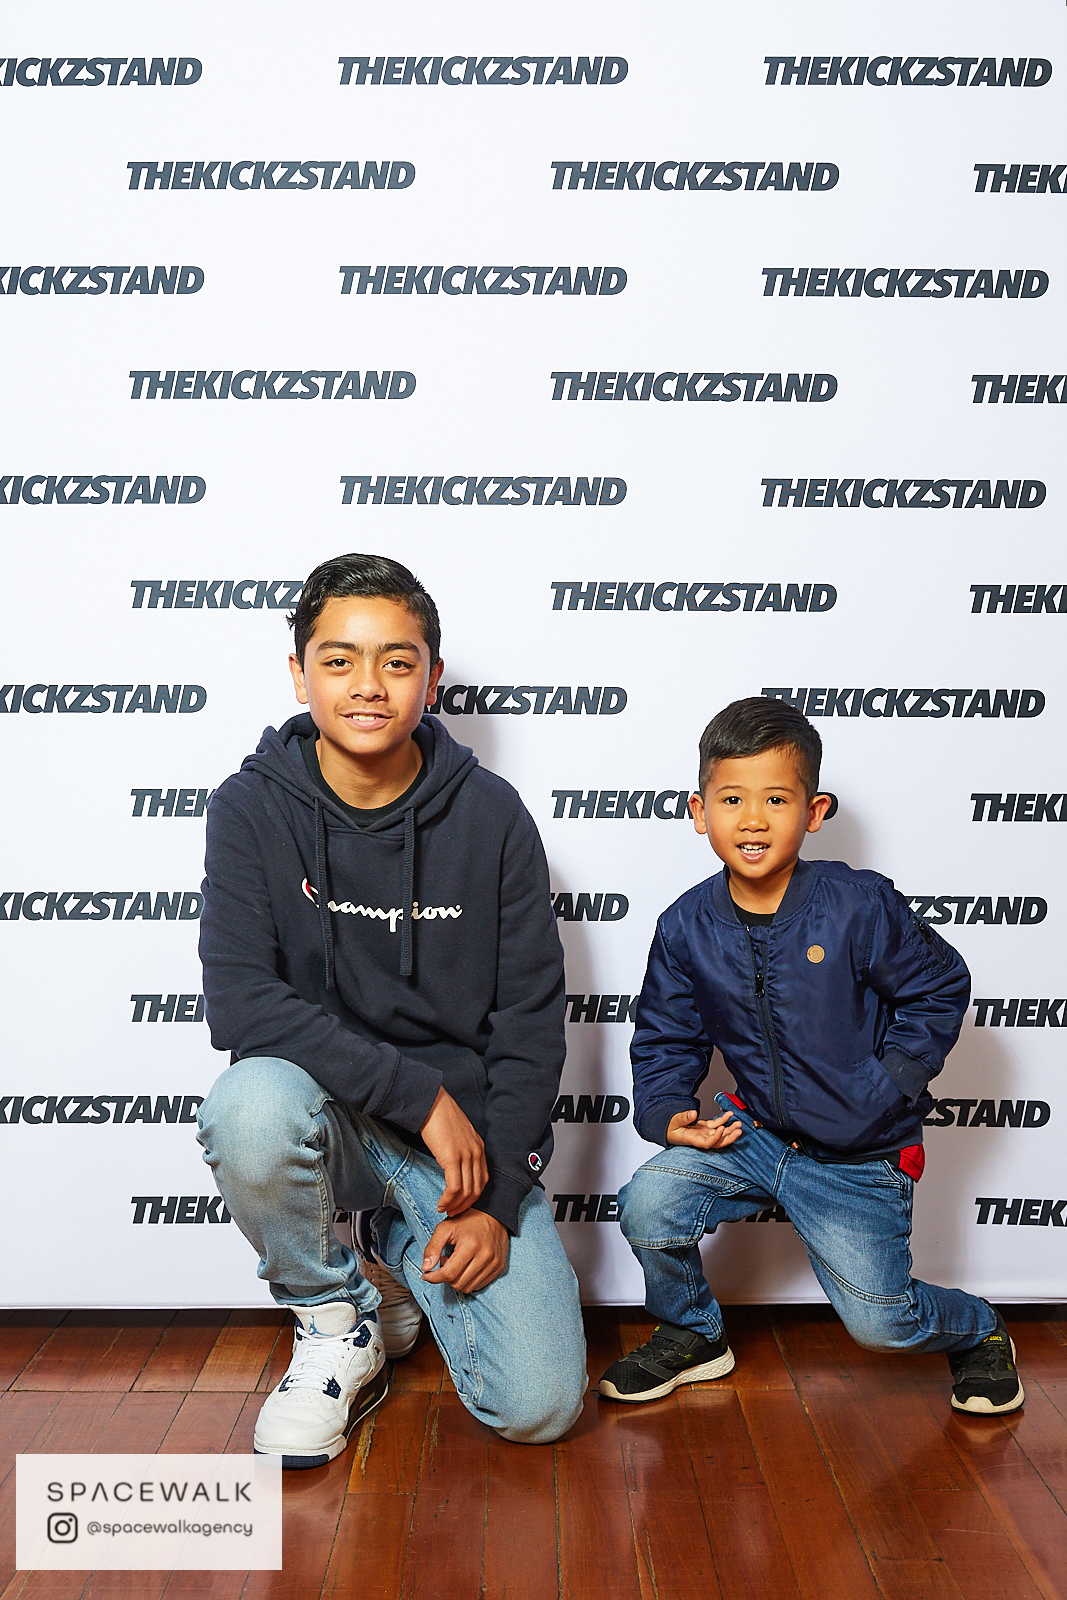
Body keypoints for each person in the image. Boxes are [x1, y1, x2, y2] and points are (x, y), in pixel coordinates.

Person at [196, 552, 586, 1468]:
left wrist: (496, 1198)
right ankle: (335, 1318)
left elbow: (530, 1023)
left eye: (396, 661)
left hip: (456, 1149)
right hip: (328, 1112)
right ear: (300, 675)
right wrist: (419, 1095)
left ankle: (390, 1246)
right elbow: (241, 1003)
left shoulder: (491, 816)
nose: (367, 685)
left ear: (431, 678)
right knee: (248, 1104)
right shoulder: (250, 807)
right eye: (338, 660)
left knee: (538, 1406)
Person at [598, 696, 1023, 1416]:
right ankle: (693, 1333)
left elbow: (939, 987)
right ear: (698, 811)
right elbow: (667, 1034)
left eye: (776, 799)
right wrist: (669, 1111)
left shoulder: (857, 905)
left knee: (884, 1324)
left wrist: (884, 1087)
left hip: (860, 1155)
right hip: (756, 1136)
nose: (753, 819)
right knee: (650, 1202)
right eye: (731, 799)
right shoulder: (686, 925)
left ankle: (979, 1328)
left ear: (814, 811)